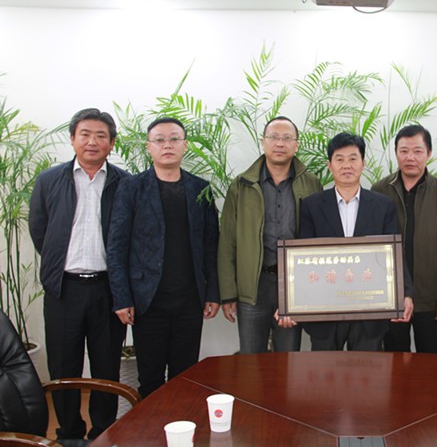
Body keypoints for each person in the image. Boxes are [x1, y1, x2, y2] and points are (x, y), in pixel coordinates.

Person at [28, 108, 128, 441]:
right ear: (72, 139)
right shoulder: (49, 180)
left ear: (111, 143)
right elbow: (40, 230)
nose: (92, 141)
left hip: (108, 289)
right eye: (85, 134)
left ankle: (103, 432)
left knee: (106, 365)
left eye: (101, 135)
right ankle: (69, 433)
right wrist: (57, 263)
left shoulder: (124, 183)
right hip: (64, 289)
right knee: (63, 366)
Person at [107, 117, 220, 398]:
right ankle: (152, 426)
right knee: (150, 377)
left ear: (185, 145)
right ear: (149, 147)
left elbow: (211, 245)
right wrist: (122, 297)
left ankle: (182, 424)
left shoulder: (200, 188)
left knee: (186, 375)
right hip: (147, 300)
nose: (167, 145)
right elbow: (117, 246)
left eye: (174, 139)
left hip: (189, 299)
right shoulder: (131, 188)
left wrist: (213, 293)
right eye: (159, 140)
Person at [290, 132, 413, 351]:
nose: (346, 165)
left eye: (353, 158)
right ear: (330, 165)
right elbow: (302, 259)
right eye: (339, 159)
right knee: (324, 371)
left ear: (363, 163)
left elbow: (395, 254)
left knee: (367, 370)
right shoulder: (311, 206)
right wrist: (292, 301)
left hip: (369, 310)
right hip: (325, 309)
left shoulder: (383, 205)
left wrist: (406, 293)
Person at [218, 116, 322, 353]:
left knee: (288, 358)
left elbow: (317, 240)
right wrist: (228, 294)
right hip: (253, 285)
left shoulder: (311, 183)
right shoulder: (241, 185)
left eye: (287, 138)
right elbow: (227, 242)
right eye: (274, 137)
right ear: (263, 142)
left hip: (294, 285)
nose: (280, 143)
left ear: (296, 145)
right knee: (251, 358)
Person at [372, 124, 437, 354]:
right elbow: (372, 247)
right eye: (404, 151)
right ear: (396, 153)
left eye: (417, 151)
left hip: (431, 297)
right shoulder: (380, 190)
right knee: (394, 363)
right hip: (391, 297)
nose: (410, 157)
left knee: (430, 365)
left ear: (428, 153)